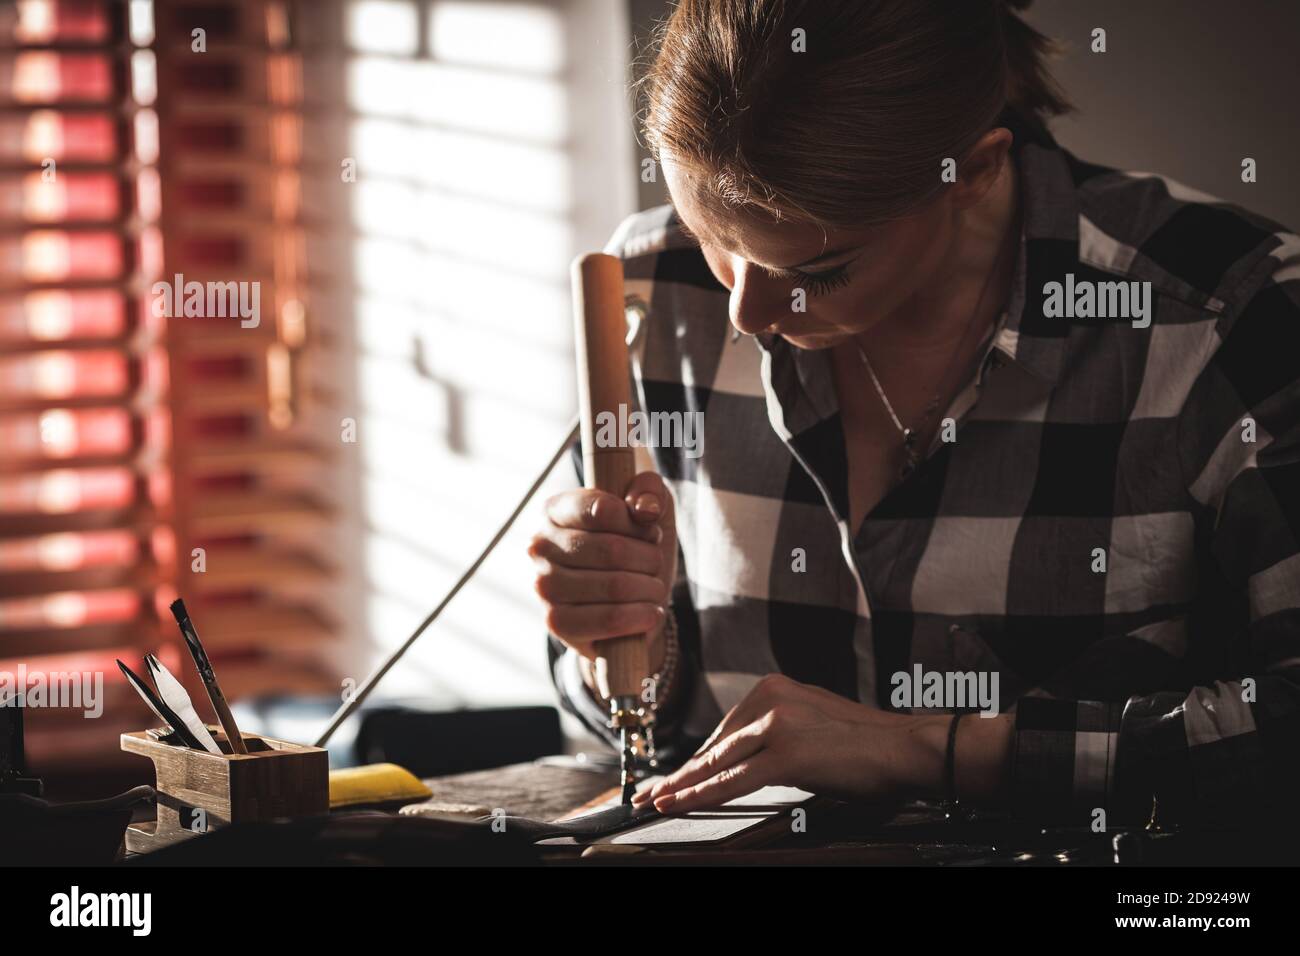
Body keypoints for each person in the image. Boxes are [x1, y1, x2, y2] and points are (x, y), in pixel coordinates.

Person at [528, 0, 1300, 828]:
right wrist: (621, 638)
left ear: (972, 171)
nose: (745, 309)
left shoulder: (1229, 315)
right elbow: (625, 741)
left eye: (817, 270)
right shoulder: (652, 286)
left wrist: (920, 750)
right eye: (713, 232)